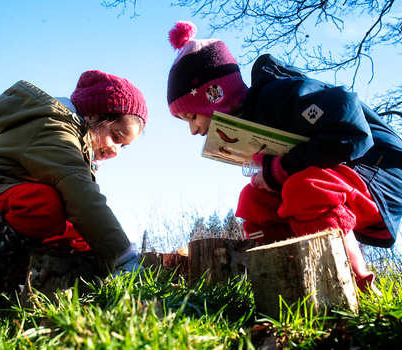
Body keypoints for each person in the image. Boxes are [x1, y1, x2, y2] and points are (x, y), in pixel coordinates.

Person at [166, 21, 402, 293]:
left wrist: (284, 168)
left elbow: (353, 130)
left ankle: (355, 285)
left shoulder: (278, 95)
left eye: (192, 116)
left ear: (215, 96)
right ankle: (283, 285)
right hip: (337, 176)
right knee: (252, 201)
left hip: (381, 169)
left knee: (303, 189)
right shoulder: (249, 124)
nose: (193, 129)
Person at [0, 70, 148, 315]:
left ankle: (27, 285)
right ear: (91, 115)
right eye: (115, 136)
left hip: (0, 200)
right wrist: (123, 256)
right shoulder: (56, 131)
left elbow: (82, 212)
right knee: (46, 204)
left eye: (124, 146)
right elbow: (80, 194)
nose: (116, 150)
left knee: (82, 230)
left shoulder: (77, 142)